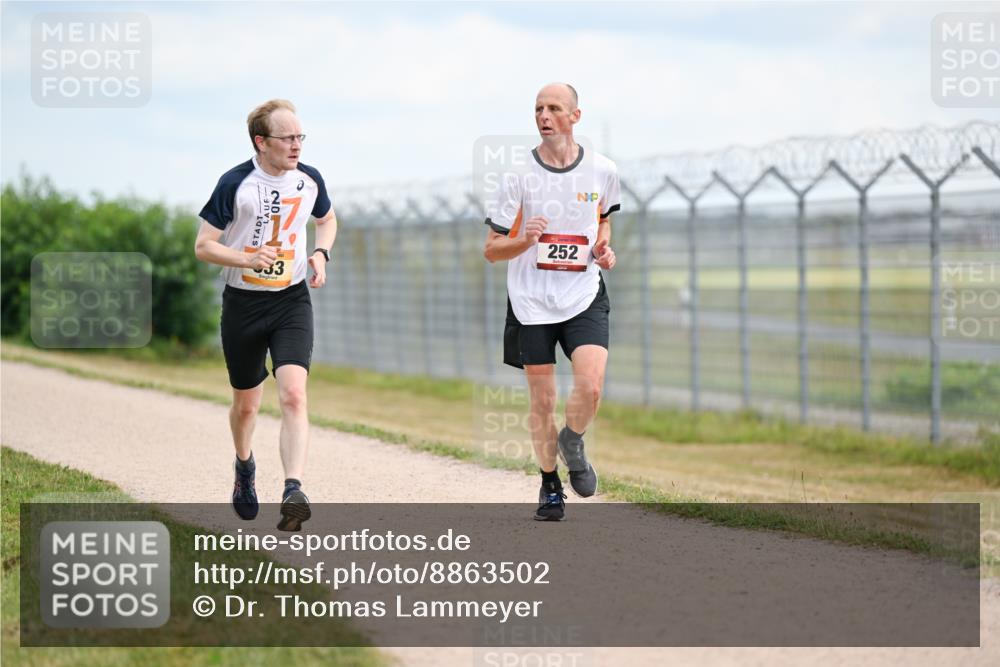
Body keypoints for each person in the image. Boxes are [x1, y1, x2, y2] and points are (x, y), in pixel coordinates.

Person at [195, 99, 337, 531]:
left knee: (294, 393)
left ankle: (294, 488)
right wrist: (246, 258)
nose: (297, 145)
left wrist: (319, 253)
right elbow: (204, 246)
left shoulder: (309, 179)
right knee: (247, 406)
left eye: (300, 137)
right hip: (243, 304)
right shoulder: (235, 183)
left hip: (290, 300)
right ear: (262, 141)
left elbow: (327, 219)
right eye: (287, 138)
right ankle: (244, 467)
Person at [483, 83, 620, 521]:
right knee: (542, 401)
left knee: (592, 386)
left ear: (575, 116)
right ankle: (549, 486)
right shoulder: (518, 177)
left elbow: (602, 224)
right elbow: (491, 249)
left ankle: (573, 440)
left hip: (582, 294)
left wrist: (603, 248)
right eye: (538, 108)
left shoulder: (602, 170)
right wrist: (524, 239)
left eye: (554, 108)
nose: (544, 115)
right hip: (530, 302)